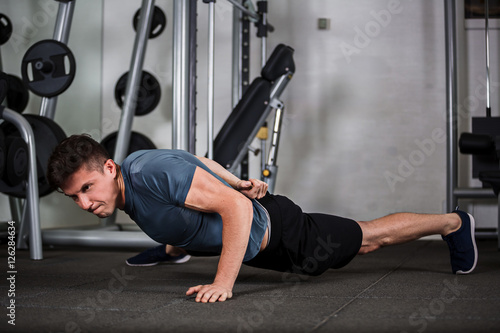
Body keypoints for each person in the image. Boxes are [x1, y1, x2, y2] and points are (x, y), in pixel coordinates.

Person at [47, 134, 478, 303]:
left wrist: (223, 283)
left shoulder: (147, 173)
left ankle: (452, 223)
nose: (85, 204)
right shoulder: (129, 183)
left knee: (368, 238)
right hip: (263, 243)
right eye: (74, 199)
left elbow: (232, 210)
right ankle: (173, 252)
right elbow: (193, 159)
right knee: (357, 242)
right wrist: (233, 181)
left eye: (86, 189)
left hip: (283, 233)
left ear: (108, 169)